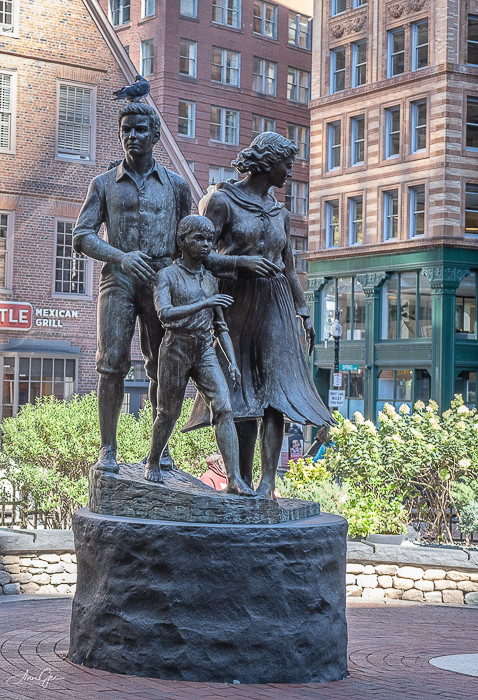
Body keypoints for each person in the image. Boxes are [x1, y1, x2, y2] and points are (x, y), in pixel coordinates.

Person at [74, 104, 279, 475]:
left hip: (163, 280)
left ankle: (160, 451)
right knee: (111, 364)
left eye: (140, 129)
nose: (132, 136)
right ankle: (108, 449)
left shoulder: (176, 186)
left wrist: (240, 263)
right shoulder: (103, 184)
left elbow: (198, 244)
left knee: (163, 366)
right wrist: (121, 257)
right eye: (126, 129)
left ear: (155, 135)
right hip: (118, 280)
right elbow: (82, 235)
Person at [183, 132, 332, 499]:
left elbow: (288, 265)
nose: (290, 173)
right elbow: (198, 255)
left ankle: (267, 484)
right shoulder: (221, 202)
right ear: (267, 164)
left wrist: (303, 310)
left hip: (275, 302)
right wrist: (240, 263)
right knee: (240, 392)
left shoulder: (281, 212)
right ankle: (242, 480)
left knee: (275, 390)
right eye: (286, 165)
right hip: (234, 300)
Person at [145, 215, 256, 497]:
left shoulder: (209, 279)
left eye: (209, 239)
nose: (206, 244)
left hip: (205, 348)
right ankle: (153, 460)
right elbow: (165, 314)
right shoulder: (166, 276)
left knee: (224, 408)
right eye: (199, 239)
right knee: (168, 413)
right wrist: (204, 302)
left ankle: (234, 479)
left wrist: (232, 362)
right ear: (182, 241)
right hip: (176, 348)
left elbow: (220, 326)